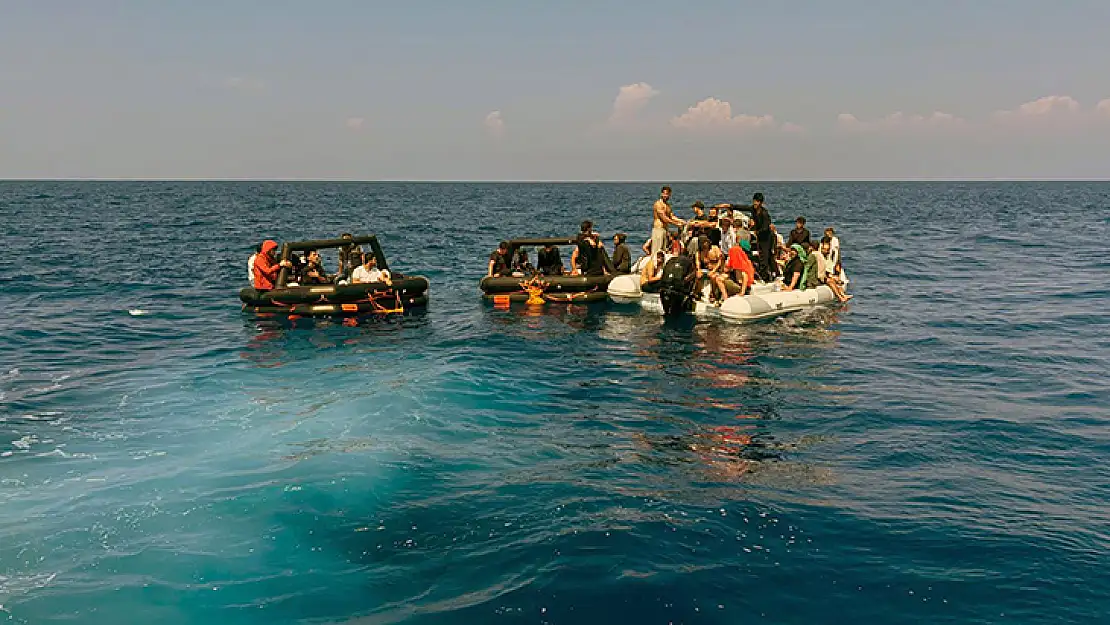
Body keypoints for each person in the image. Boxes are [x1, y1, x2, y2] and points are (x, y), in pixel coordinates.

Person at [726, 193, 776, 282]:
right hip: (760, 236)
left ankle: (767, 277)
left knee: (766, 256)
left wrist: (756, 232)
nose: (755, 203)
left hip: (767, 237)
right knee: (762, 256)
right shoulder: (753, 209)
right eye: (754, 201)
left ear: (761, 203)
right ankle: (769, 274)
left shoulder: (764, 213)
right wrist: (731, 206)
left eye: (757, 202)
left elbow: (766, 227)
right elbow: (743, 207)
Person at [651, 186, 685, 256]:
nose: (665, 196)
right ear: (661, 194)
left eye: (667, 194)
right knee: (657, 252)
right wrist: (676, 224)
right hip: (658, 230)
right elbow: (664, 218)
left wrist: (682, 221)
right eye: (664, 194)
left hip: (665, 230)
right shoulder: (658, 204)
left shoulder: (667, 205)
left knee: (663, 252)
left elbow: (672, 216)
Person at [696, 238, 729, 305]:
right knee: (698, 275)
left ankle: (712, 293)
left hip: (717, 270)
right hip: (706, 270)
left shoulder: (715, 248)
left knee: (713, 276)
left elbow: (720, 261)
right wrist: (698, 269)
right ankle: (698, 292)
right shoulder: (699, 252)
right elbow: (698, 261)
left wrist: (714, 270)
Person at [820, 237, 852, 302]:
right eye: (824, 249)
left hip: (826, 274)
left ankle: (843, 294)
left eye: (827, 249)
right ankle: (840, 297)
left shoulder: (828, 256)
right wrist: (831, 276)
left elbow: (829, 267)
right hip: (821, 276)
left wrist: (833, 276)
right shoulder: (819, 256)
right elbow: (820, 270)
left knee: (836, 280)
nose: (826, 251)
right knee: (831, 281)